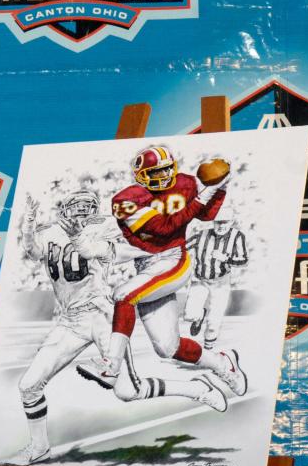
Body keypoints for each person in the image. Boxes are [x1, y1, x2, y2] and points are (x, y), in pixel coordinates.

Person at [12, 190, 227, 466]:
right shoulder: (50, 231)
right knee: (28, 385)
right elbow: (33, 252)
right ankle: (39, 447)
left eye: (87, 207)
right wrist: (28, 225)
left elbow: (129, 248)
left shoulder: (105, 227)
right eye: (76, 207)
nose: (82, 213)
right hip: (70, 320)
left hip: (101, 315)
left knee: (127, 392)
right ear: (64, 209)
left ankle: (195, 389)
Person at [77, 145, 248, 399]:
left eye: (168, 169)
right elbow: (163, 227)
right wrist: (205, 195)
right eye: (157, 172)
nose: (165, 176)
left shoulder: (187, 183)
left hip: (173, 259)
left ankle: (110, 365)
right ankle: (224, 364)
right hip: (147, 264)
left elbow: (207, 214)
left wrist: (219, 188)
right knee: (168, 348)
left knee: (123, 295)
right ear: (142, 175)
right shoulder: (124, 200)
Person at [183, 214, 249, 349]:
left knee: (214, 322)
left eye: (225, 222)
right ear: (213, 222)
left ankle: (207, 350)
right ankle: (199, 316)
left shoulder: (237, 236)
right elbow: (181, 248)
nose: (221, 226)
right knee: (189, 315)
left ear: (231, 222)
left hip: (221, 282)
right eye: (218, 222)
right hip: (200, 279)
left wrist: (226, 258)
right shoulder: (202, 235)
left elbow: (244, 261)